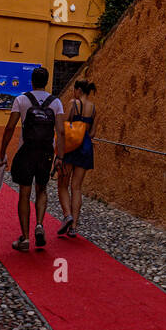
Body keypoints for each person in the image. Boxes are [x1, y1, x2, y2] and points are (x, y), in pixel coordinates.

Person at [0, 66, 65, 252]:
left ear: (32, 80)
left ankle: (25, 238)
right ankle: (40, 225)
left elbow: (10, 127)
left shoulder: (21, 99)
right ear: (47, 81)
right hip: (46, 152)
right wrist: (60, 156)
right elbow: (60, 131)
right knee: (42, 190)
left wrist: (2, 151)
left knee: (24, 194)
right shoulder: (56, 102)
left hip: (26, 151)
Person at [57, 80, 96, 240]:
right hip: (86, 147)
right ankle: (73, 227)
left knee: (63, 184)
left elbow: (64, 126)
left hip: (71, 146)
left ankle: (67, 216)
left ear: (78, 90)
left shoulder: (74, 103)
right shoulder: (94, 108)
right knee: (77, 187)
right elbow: (92, 133)